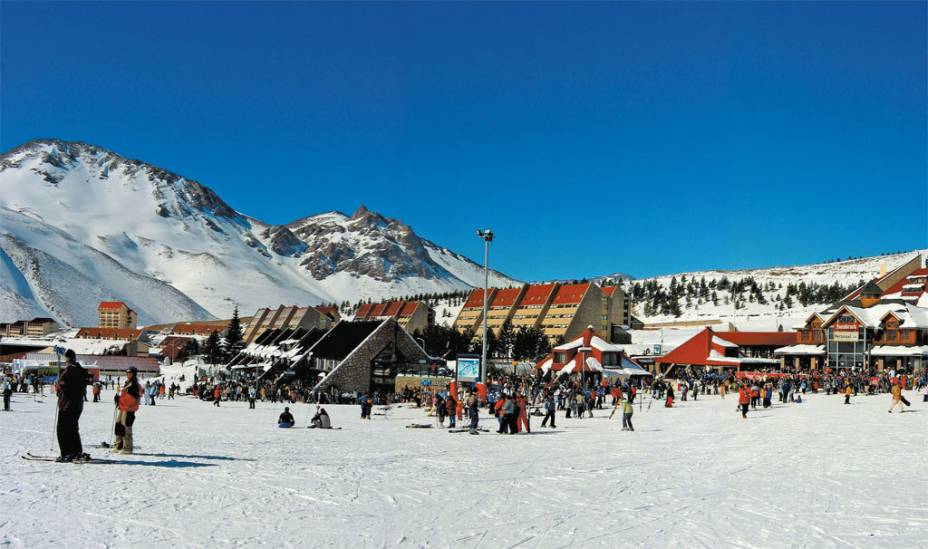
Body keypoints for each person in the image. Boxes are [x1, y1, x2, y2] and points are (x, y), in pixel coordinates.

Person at [56, 350, 90, 462]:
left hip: (67, 404)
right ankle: (76, 451)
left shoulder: (69, 371)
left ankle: (67, 453)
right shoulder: (81, 370)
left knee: (62, 429)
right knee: (73, 428)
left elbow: (64, 386)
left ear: (67, 359)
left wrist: (59, 388)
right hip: (78, 404)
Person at [114, 367, 141, 454]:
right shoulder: (127, 383)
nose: (127, 374)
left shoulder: (134, 384)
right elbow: (124, 395)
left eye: (129, 372)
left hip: (129, 409)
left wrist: (120, 399)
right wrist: (118, 399)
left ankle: (127, 448)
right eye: (126, 372)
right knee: (119, 427)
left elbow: (131, 399)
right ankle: (119, 446)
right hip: (123, 408)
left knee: (126, 428)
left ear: (133, 374)